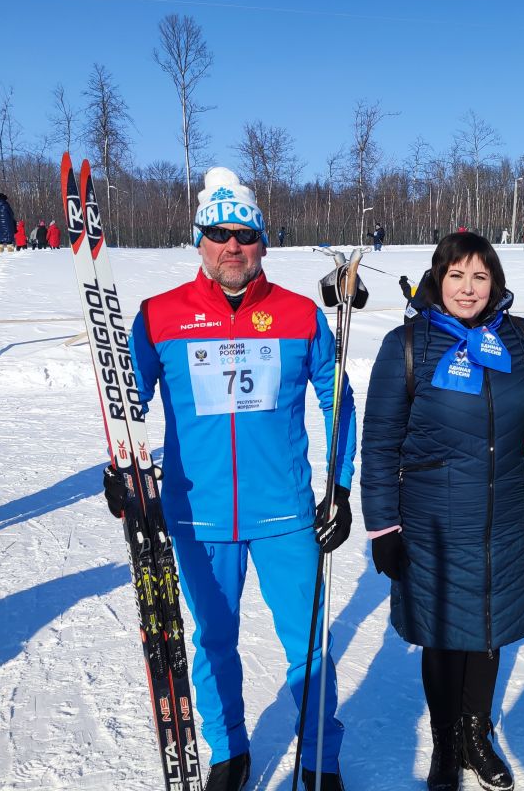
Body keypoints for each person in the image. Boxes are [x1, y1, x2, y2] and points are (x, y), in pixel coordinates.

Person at [115, 167, 356, 791]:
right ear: (199, 240)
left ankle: (319, 758)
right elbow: (127, 404)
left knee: (307, 643)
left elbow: (338, 400)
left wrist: (342, 484)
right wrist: (121, 468)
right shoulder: (159, 316)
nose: (232, 246)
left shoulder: (299, 315)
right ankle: (230, 750)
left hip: (284, 512)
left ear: (263, 244)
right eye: (219, 234)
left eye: (244, 235)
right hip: (199, 515)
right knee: (213, 639)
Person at [361, 232, 524, 791]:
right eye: (457, 275)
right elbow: (381, 442)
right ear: (438, 280)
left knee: (488, 632)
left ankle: (475, 735)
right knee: (443, 636)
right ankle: (446, 745)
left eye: (480, 276)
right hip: (435, 522)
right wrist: (383, 527)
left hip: (507, 514)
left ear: (496, 283)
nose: (469, 288)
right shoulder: (407, 344)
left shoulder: (521, 338)